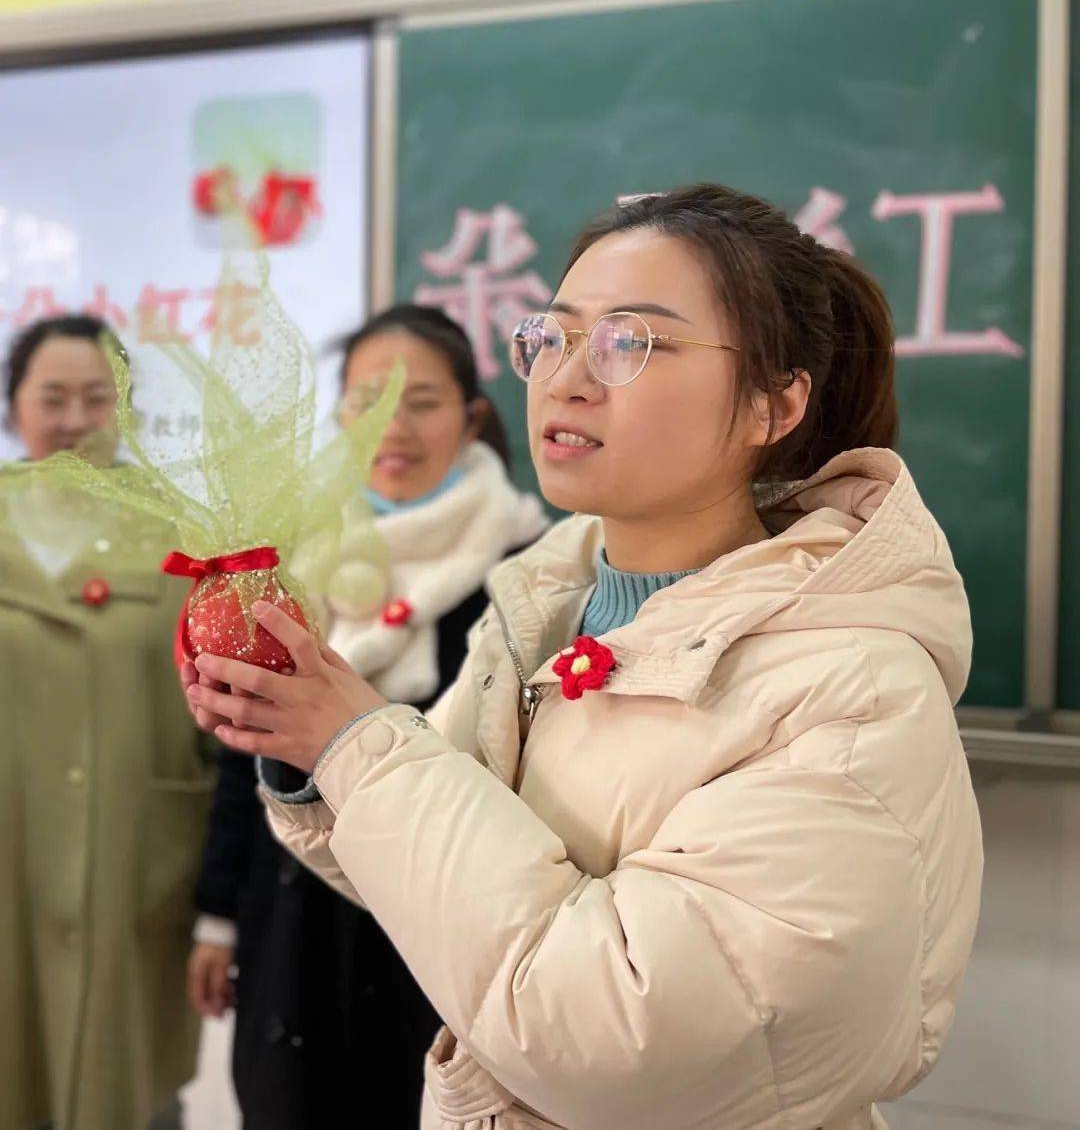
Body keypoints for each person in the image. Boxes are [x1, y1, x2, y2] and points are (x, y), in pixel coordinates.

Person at [185, 185, 984, 1130]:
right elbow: (421, 876)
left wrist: (358, 740)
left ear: (776, 401)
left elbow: (614, 1033)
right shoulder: (542, 608)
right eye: (553, 337)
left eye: (630, 342)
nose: (566, 378)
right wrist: (304, 742)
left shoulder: (851, 687)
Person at [188, 305, 548, 1129]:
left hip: (452, 942)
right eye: (365, 400)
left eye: (420, 400)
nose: (391, 425)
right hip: (292, 930)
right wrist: (216, 915)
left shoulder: (533, 573)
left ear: (471, 416)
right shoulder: (288, 568)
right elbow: (244, 755)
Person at [0, 315, 208, 1130]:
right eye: (53, 397)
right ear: (15, 405)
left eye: (98, 397)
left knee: (127, 1089)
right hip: (10, 863)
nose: (76, 419)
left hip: (140, 863)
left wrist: (222, 903)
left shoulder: (184, 533)